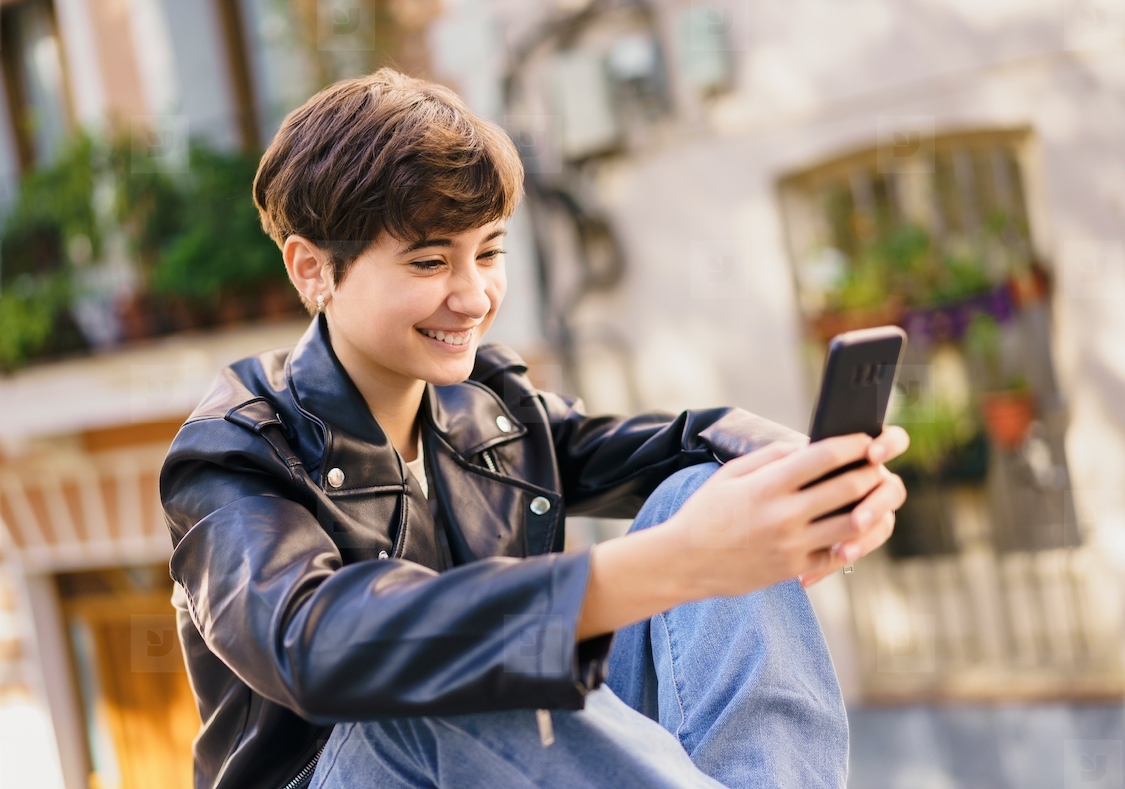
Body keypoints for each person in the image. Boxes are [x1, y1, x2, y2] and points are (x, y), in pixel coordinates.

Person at [159, 68, 908, 789]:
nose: (474, 296)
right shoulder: (234, 451)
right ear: (311, 269)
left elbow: (669, 445)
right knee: (447, 664)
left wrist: (798, 470)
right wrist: (681, 561)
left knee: (706, 487)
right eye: (430, 261)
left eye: (489, 251)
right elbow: (320, 645)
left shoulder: (490, 406)